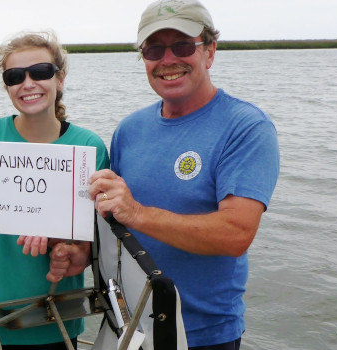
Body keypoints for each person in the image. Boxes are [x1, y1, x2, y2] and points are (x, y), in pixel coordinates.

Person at [86, 0, 281, 349]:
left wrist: (138, 214)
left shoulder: (245, 127)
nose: (168, 60)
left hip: (203, 335)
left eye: (182, 46)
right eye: (154, 49)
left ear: (209, 52)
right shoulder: (130, 129)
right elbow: (111, 224)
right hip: (129, 325)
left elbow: (235, 234)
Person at [0, 31, 110, 349]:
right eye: (14, 76)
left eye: (40, 72)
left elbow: (89, 238)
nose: (28, 84)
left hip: (59, 316)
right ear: (7, 85)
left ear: (60, 78)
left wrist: (64, 247)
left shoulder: (88, 147)